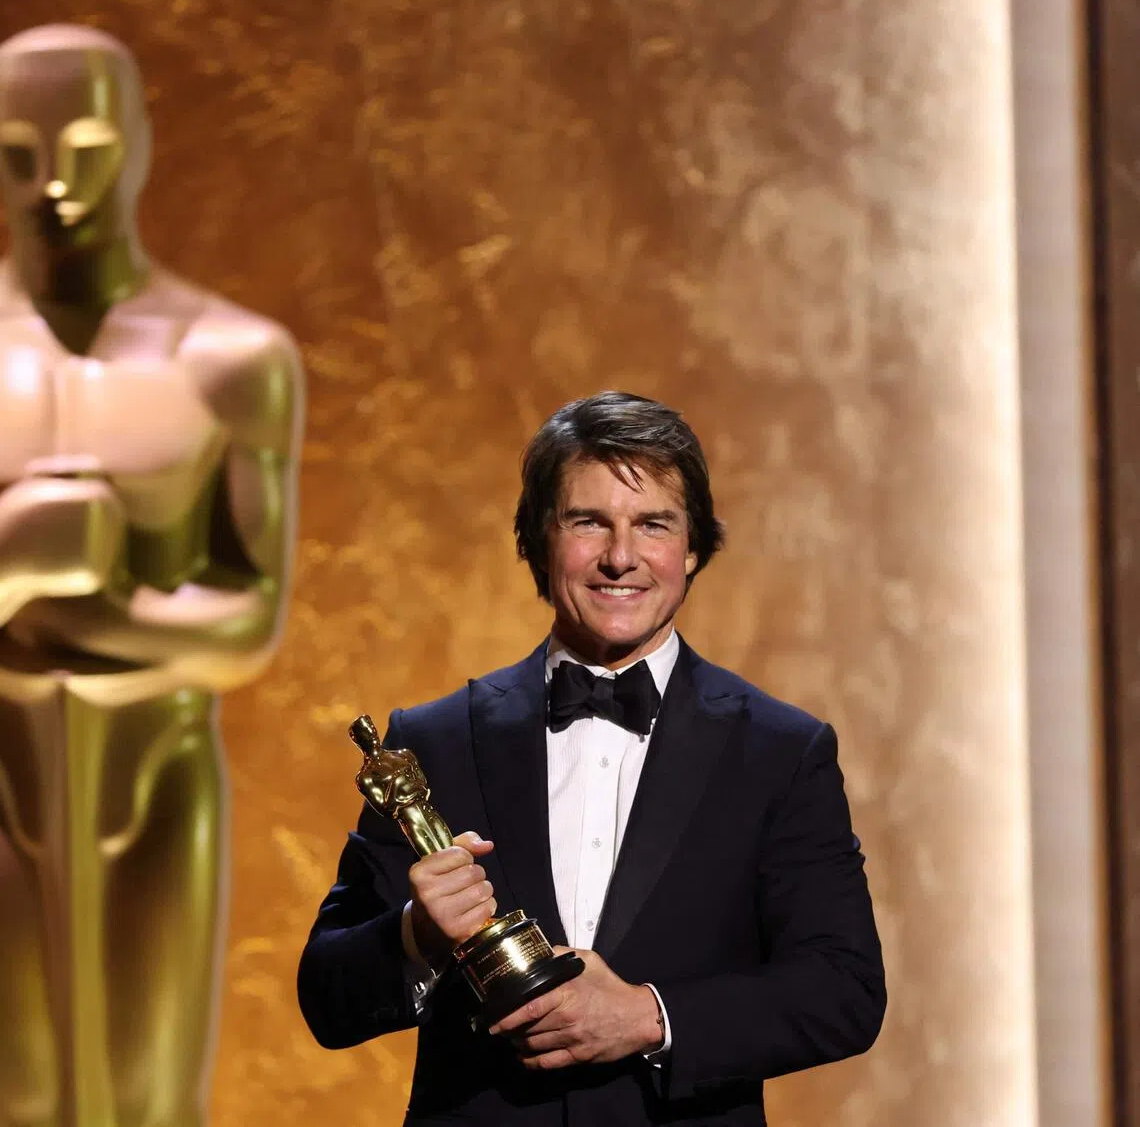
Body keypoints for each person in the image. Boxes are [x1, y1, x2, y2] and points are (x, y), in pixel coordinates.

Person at [298, 391, 884, 1126]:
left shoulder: (780, 752)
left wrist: (649, 1016)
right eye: (588, 522)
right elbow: (326, 998)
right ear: (540, 542)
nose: (620, 556)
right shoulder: (433, 742)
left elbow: (844, 990)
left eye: (653, 525)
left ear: (694, 546)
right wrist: (415, 935)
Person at [0, 24, 301, 1127]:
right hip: (3, 774)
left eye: (83, 147)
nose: (52, 187)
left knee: (146, 1097)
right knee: (20, 1092)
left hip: (157, 775)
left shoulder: (226, 360)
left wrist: (97, 609)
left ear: (137, 141)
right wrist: (26, 550)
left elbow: (248, 619)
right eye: (16, 154)